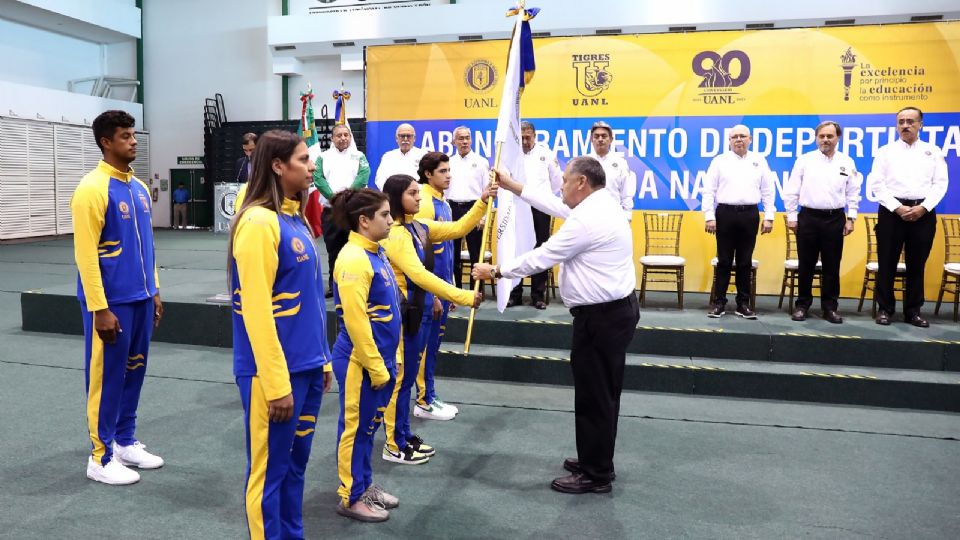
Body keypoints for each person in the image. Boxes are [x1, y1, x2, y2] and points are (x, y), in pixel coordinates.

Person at [473, 156, 638, 495]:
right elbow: (552, 202)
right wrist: (512, 185)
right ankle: (595, 457)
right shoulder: (599, 204)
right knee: (600, 393)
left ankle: (596, 474)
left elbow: (542, 257)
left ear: (582, 183)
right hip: (610, 314)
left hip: (602, 318)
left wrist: (498, 271)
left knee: (596, 396)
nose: (560, 185)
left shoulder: (587, 220)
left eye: (565, 179)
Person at [228, 129, 333, 538]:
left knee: (295, 466)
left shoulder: (295, 218)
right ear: (277, 165)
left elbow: (307, 302)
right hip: (272, 376)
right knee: (269, 473)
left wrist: (322, 359)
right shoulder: (257, 223)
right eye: (304, 160)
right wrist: (275, 384)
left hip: (306, 367)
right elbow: (255, 311)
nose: (312, 167)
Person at [71, 110, 164, 486]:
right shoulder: (91, 189)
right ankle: (100, 455)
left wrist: (154, 291)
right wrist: (100, 308)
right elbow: (85, 256)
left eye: (134, 134)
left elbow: (148, 247)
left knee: (134, 371)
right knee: (106, 378)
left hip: (141, 299)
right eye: (125, 136)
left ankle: (125, 441)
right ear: (105, 142)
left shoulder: (139, 189)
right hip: (111, 305)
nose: (134, 141)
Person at [380, 174, 487, 463]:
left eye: (418, 192)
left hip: (422, 311)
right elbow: (420, 275)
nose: (419, 198)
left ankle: (403, 434)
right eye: (413, 193)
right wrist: (462, 297)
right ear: (396, 198)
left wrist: (483, 200)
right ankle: (393, 443)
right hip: (404, 314)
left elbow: (458, 228)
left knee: (406, 378)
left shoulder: (419, 226)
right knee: (400, 380)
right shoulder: (396, 235)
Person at [329, 188, 401, 523]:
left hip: (379, 360)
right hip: (360, 362)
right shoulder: (353, 259)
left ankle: (364, 484)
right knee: (355, 429)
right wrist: (376, 367)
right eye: (384, 215)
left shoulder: (376, 252)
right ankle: (349, 496)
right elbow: (356, 322)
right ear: (364, 221)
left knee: (368, 430)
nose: (391, 219)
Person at [868, 106, 949, 327]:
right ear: (896, 125)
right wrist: (897, 207)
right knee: (887, 262)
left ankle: (913, 311)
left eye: (910, 121)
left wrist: (924, 207)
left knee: (917, 264)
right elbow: (876, 184)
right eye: (901, 121)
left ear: (920, 124)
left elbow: (940, 184)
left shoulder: (933, 151)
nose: (905, 125)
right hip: (891, 213)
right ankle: (885, 309)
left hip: (923, 214)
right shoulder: (885, 151)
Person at [784, 121, 862, 323]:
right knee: (806, 265)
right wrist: (792, 216)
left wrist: (851, 217)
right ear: (816, 138)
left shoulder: (847, 162)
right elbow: (792, 189)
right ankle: (802, 305)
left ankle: (830, 308)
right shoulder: (805, 160)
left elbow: (853, 192)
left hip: (835, 219)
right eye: (822, 136)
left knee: (832, 266)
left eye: (830, 136)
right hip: (808, 218)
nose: (826, 140)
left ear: (838, 138)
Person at [413, 152, 468, 421]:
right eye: (443, 171)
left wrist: (452, 286)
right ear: (428, 174)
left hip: (443, 285)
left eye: (449, 170)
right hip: (430, 290)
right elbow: (424, 254)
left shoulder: (442, 202)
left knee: (434, 347)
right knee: (425, 346)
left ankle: (430, 395)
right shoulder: (424, 203)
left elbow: (447, 250)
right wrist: (434, 293)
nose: (448, 175)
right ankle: (423, 400)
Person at [702, 124, 776, 319]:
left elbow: (768, 190)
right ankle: (719, 303)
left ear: (750, 139)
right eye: (734, 137)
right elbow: (708, 190)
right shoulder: (719, 161)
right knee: (724, 261)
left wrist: (769, 216)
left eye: (743, 136)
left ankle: (743, 304)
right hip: (725, 214)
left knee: (745, 262)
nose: (739, 140)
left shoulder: (759, 161)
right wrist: (709, 216)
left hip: (750, 214)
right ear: (729, 140)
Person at [509, 121, 564, 309]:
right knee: (516, 250)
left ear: (534, 136)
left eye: (528, 137)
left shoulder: (546, 154)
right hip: (518, 208)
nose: (524, 141)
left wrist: (544, 199)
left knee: (541, 249)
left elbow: (557, 183)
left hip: (540, 208)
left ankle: (538, 295)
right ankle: (514, 293)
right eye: (522, 137)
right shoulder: (512, 155)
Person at [314, 124, 371, 294]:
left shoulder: (359, 156)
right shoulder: (323, 157)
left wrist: (347, 197)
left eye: (346, 135)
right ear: (332, 138)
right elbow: (318, 179)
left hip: (353, 211)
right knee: (333, 250)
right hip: (331, 211)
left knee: (356, 248)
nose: (343, 138)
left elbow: (363, 176)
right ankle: (334, 284)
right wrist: (334, 198)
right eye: (339, 135)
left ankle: (359, 284)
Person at [447, 126, 489, 289]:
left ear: (471, 140)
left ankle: (476, 291)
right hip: (452, 209)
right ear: (454, 141)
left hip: (474, 208)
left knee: (475, 253)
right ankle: (455, 290)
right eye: (460, 138)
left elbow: (488, 191)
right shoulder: (448, 162)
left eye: (467, 138)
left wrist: (483, 216)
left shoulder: (481, 162)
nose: (464, 141)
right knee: (453, 254)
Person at [587, 121, 635, 220]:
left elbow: (626, 193)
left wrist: (627, 217)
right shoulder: (584, 162)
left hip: (613, 217)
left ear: (611, 139)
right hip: (589, 217)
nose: (600, 139)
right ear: (591, 140)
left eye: (604, 136)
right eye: (596, 136)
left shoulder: (621, 163)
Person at [374, 123, 425, 190]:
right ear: (396, 138)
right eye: (402, 136)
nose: (405, 139)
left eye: (409, 136)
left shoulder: (423, 155)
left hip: (417, 195)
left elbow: (428, 179)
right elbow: (380, 178)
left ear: (414, 138)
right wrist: (390, 192)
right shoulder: (388, 156)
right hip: (394, 195)